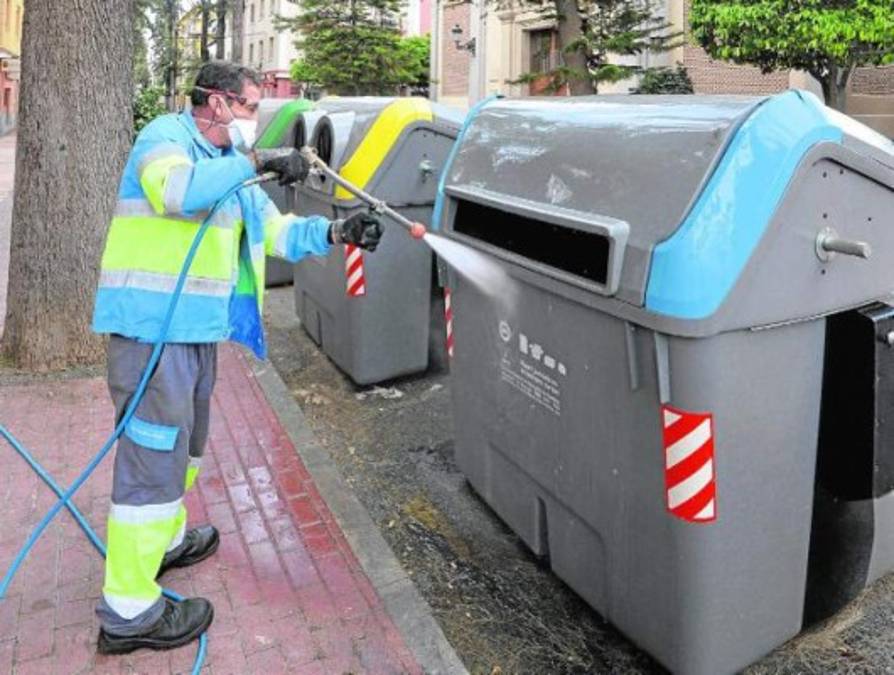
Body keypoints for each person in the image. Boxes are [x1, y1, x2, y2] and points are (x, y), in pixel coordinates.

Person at [90, 61, 383, 654]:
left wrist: (337, 231)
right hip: (151, 335)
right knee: (152, 459)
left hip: (197, 335)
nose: (257, 119)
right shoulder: (165, 139)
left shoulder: (231, 171)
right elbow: (175, 193)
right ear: (219, 104)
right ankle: (128, 612)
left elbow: (274, 234)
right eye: (252, 106)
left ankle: (166, 543)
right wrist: (255, 162)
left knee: (186, 448)